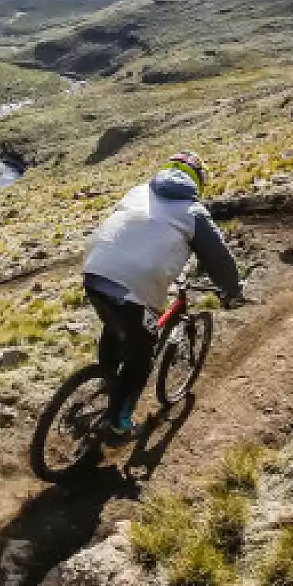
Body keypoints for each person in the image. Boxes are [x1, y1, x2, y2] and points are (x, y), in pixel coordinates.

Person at [82, 151, 243, 438]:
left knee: (115, 323)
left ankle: (106, 379)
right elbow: (220, 260)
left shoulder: (138, 191)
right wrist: (231, 291)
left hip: (94, 270)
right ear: (198, 182)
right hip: (134, 285)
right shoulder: (193, 212)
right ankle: (119, 424)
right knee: (141, 357)